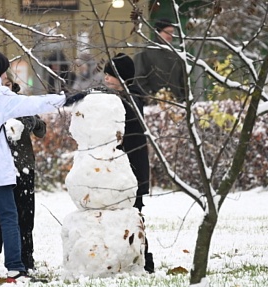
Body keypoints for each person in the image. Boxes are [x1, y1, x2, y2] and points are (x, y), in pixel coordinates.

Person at [0, 49, 77, 284]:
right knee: (9, 216)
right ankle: (14, 268)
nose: (6, 76)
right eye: (4, 71)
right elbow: (32, 103)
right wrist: (64, 98)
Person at [0, 69, 45, 274]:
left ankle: (27, 254)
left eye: (8, 84)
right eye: (1, 83)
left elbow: (41, 128)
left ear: (13, 86)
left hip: (23, 165)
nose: (4, 87)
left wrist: (31, 121)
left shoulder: (20, 103)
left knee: (25, 212)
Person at [103, 53, 154, 273]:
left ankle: (144, 259)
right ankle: (126, 259)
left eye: (111, 75)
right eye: (105, 74)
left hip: (131, 169)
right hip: (121, 169)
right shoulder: (119, 98)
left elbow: (122, 133)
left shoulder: (131, 100)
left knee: (134, 216)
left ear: (123, 78)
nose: (106, 79)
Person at [133, 18, 186, 103]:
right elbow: (139, 79)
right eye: (167, 32)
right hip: (154, 106)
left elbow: (183, 80)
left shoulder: (176, 55)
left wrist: (184, 99)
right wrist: (150, 97)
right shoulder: (146, 52)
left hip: (177, 105)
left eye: (172, 32)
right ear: (158, 32)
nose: (170, 35)